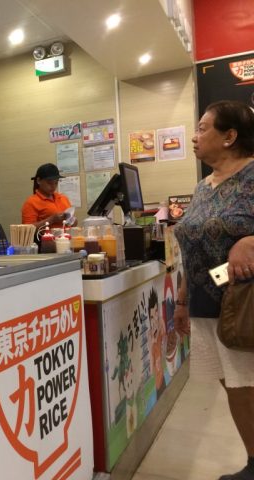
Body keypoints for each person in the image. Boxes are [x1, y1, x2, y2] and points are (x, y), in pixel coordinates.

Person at [173, 100, 254, 480]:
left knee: (246, 384)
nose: (195, 136)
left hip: (243, 305)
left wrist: (250, 241)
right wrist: (182, 300)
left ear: (229, 136)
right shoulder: (202, 187)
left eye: (203, 128)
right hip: (206, 305)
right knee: (233, 385)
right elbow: (190, 247)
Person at [21, 163, 74, 229]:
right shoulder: (31, 202)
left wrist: (72, 220)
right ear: (38, 180)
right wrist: (51, 219)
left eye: (56, 183)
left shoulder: (63, 198)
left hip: (66, 235)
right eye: (49, 183)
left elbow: (73, 224)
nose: (53, 186)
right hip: (46, 235)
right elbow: (26, 229)